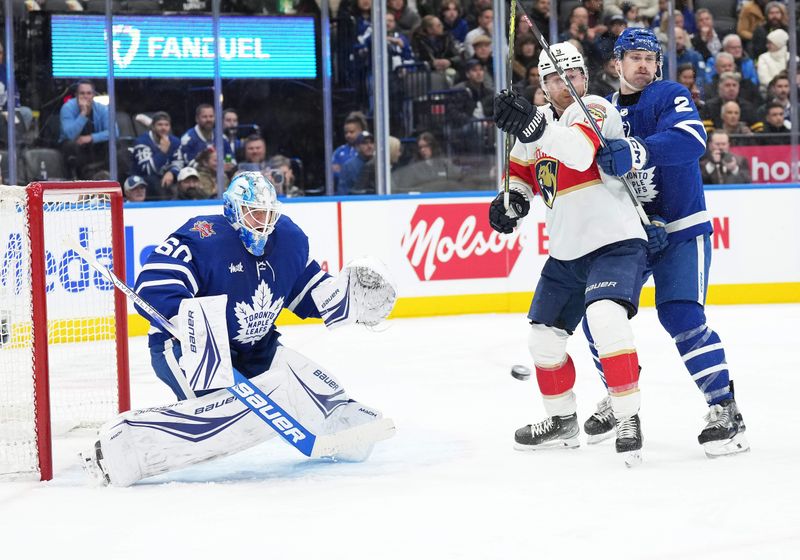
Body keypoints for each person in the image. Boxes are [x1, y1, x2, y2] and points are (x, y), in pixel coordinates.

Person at [79, 172, 397, 486]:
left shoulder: (289, 240)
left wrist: (346, 302)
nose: (263, 222)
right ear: (233, 210)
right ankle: (122, 448)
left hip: (256, 348)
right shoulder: (202, 236)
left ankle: (340, 424)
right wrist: (188, 320)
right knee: (235, 418)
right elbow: (154, 283)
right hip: (190, 351)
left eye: (268, 214)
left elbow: (305, 291)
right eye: (254, 213)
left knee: (303, 382)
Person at [582, 27, 749, 458]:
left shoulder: (670, 94)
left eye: (650, 58)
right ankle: (622, 396)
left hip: (681, 230)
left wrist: (635, 151)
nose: (643, 65)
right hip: (631, 235)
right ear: (616, 63)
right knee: (598, 316)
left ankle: (725, 410)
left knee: (681, 317)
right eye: (634, 57)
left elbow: (692, 140)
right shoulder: (603, 110)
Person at [489, 42, 647, 464]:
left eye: (573, 74)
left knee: (605, 317)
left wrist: (531, 127)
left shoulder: (595, 108)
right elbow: (522, 177)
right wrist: (510, 203)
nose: (567, 83)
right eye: (557, 78)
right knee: (542, 341)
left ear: (585, 77)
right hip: (566, 253)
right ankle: (561, 422)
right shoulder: (535, 127)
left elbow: (578, 152)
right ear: (543, 84)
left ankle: (628, 416)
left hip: (615, 241)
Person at [59, 80, 114, 179]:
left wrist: (91, 137)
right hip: (74, 146)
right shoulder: (67, 108)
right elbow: (69, 135)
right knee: (70, 146)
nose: (85, 96)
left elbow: (114, 132)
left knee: (112, 144)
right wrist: (83, 113)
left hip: (94, 145)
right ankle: (84, 177)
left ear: (93, 95)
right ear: (76, 95)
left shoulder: (102, 109)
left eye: (89, 93)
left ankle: (103, 175)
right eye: (82, 93)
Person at [130, 111, 181, 200]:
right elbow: (147, 169)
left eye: (166, 125)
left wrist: (172, 172)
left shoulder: (175, 142)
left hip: (166, 177)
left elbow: (178, 161)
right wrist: (162, 153)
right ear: (153, 126)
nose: (163, 128)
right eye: (160, 125)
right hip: (145, 180)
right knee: (153, 180)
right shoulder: (142, 142)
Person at [337, 130, 375, 195]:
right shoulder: (348, 166)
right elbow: (343, 192)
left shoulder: (379, 164)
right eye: (365, 143)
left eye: (371, 142)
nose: (369, 146)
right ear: (357, 147)